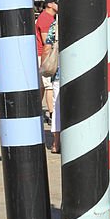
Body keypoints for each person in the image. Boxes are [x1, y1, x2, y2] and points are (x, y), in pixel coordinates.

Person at [35, 0, 58, 123]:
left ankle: (38, 111)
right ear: (50, 4)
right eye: (56, 2)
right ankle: (51, 113)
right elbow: (46, 41)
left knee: (43, 86)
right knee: (48, 85)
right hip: (43, 55)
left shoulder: (47, 17)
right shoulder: (46, 18)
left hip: (41, 54)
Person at [44, 19, 60, 154]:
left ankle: (56, 142)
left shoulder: (55, 25)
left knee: (57, 107)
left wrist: (44, 64)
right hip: (82, 72)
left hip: (59, 72)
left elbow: (47, 46)